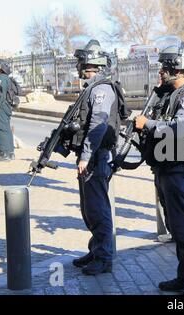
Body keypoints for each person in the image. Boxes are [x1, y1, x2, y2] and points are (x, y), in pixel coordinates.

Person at [134, 36, 184, 295]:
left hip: (180, 168)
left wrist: (149, 125)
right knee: (176, 227)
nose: (161, 72)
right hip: (166, 167)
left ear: (178, 69)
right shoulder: (172, 92)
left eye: (165, 68)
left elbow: (178, 128)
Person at [71, 39, 118, 276]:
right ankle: (96, 249)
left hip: (96, 157)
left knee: (98, 209)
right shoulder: (92, 87)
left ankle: (104, 257)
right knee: (89, 208)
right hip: (89, 156)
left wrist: (86, 156)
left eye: (82, 63)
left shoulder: (101, 89)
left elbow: (98, 125)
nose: (79, 67)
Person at [0, 59, 14, 162]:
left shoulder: (0, 79)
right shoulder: (6, 78)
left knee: (1, 129)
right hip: (6, 106)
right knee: (6, 128)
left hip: (1, 107)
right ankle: (10, 153)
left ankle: (4, 154)